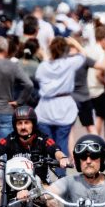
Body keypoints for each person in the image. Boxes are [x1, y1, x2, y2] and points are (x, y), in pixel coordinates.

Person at [34, 37, 86, 166]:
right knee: (62, 143)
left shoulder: (44, 66)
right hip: (64, 105)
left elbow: (39, 76)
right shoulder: (69, 63)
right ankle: (60, 176)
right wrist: (75, 42)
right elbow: (83, 56)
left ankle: (43, 175)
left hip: (46, 107)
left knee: (45, 143)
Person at [0, 36, 34, 145]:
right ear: (6, 49)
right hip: (6, 108)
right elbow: (29, 84)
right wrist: (19, 101)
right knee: (6, 145)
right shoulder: (12, 66)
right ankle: (4, 162)